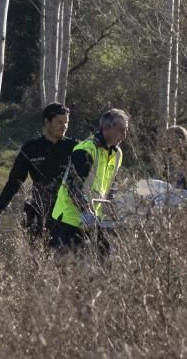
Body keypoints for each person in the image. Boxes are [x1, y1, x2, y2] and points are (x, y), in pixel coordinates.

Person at [0, 103, 77, 241]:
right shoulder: (31, 148)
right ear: (47, 121)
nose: (64, 126)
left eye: (66, 122)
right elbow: (14, 182)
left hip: (67, 216)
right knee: (37, 259)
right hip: (38, 215)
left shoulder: (75, 148)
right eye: (60, 122)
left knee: (65, 259)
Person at [48, 108, 130, 252]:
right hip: (69, 219)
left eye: (126, 130)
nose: (124, 135)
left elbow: (111, 185)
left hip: (94, 220)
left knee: (100, 265)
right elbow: (72, 186)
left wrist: (113, 208)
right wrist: (86, 211)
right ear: (106, 128)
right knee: (67, 268)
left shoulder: (117, 153)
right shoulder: (86, 150)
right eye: (120, 130)